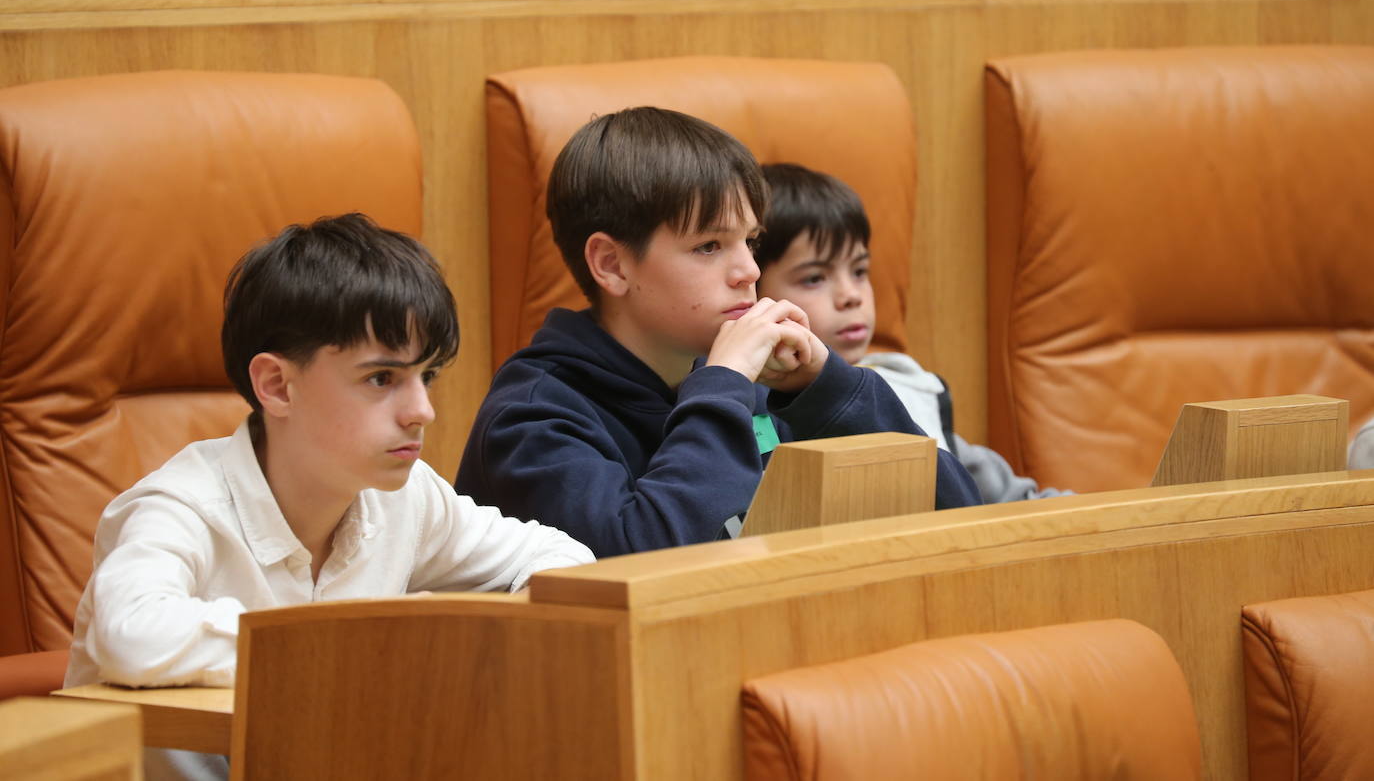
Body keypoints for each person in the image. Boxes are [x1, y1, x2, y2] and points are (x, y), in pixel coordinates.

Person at [66, 214, 592, 778]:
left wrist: (459, 638)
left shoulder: (405, 497)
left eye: (427, 376)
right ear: (276, 385)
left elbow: (563, 562)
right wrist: (374, 646)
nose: (423, 411)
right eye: (381, 379)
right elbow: (132, 637)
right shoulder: (179, 506)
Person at [456, 107, 980, 558]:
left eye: (749, 242)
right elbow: (642, 571)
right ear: (612, 264)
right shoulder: (532, 420)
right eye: (709, 246)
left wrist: (827, 390)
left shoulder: (754, 385)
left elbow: (959, 522)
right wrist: (722, 388)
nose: (749, 271)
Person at [754, 162, 1067, 503]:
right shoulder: (748, 408)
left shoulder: (908, 386)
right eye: (814, 278)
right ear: (752, 292)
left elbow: (1008, 500)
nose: (851, 295)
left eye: (859, 271)